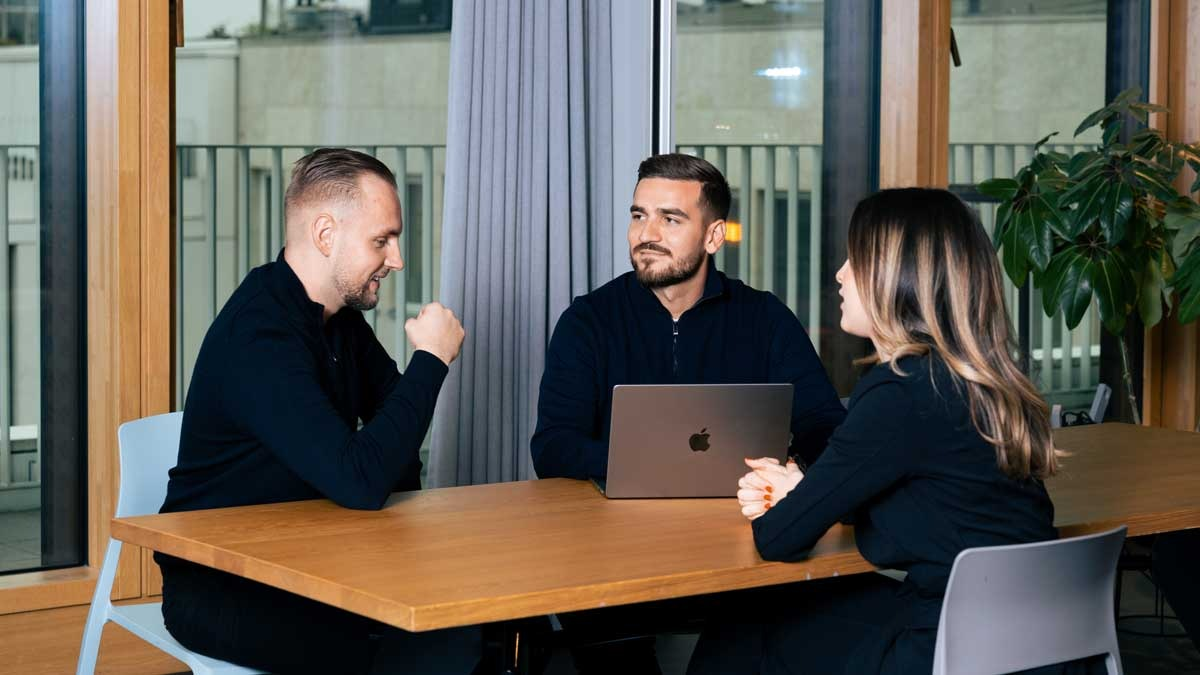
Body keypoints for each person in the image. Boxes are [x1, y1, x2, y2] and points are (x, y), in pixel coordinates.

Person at [688, 188, 1073, 674]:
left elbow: (779, 538)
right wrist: (810, 492)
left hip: (947, 649)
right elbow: (927, 502)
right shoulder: (984, 380)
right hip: (1040, 643)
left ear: (901, 280)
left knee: (745, 613)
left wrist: (798, 498)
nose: (840, 274)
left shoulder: (899, 391)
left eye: (857, 259)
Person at [156, 148, 478, 675]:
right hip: (224, 584)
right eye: (382, 241)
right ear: (326, 235)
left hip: (317, 556)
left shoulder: (341, 322)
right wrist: (431, 359)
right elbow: (360, 477)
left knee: (470, 613)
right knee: (423, 640)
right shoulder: (260, 335)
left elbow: (395, 448)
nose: (397, 260)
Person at [530, 153, 846, 673]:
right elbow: (552, 447)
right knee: (607, 641)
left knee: (785, 622)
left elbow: (823, 425)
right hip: (614, 550)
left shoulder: (764, 318)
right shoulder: (589, 320)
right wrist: (649, 465)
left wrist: (795, 473)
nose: (646, 233)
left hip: (738, 542)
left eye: (670, 219)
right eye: (638, 215)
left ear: (714, 236)